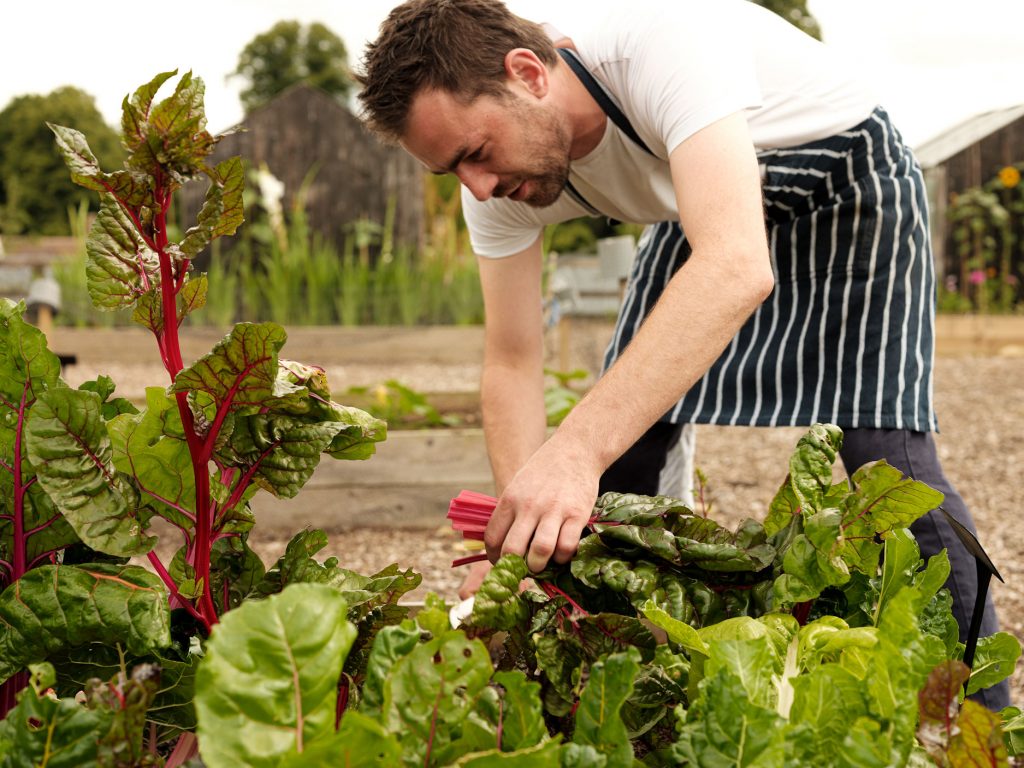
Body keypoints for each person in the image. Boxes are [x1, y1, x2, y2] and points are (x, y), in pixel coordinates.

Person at [356, 0, 1010, 709]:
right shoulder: (495, 185)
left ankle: (983, 719)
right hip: (706, 206)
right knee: (624, 462)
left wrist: (572, 453)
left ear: (527, 73)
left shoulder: (661, 43)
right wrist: (520, 548)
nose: (476, 188)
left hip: (845, 180)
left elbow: (734, 264)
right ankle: (641, 698)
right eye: (450, 171)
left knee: (885, 457)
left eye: (476, 154)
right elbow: (511, 361)